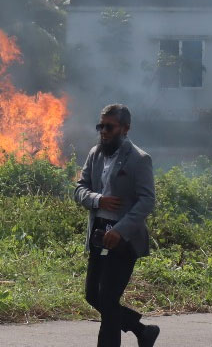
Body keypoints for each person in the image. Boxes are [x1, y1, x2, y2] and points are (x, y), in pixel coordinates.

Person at [74, 104, 159, 347]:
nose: (103, 131)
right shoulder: (95, 153)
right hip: (99, 235)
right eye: (101, 126)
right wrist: (98, 199)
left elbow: (147, 201)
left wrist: (120, 230)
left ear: (125, 129)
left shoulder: (139, 159)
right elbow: (80, 189)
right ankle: (142, 331)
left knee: (108, 298)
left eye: (109, 127)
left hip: (124, 240)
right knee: (93, 296)